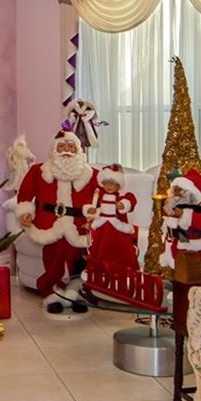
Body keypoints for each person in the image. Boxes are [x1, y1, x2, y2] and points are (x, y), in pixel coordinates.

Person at [14, 129, 99, 306]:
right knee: (53, 258)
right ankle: (52, 292)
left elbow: (104, 197)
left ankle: (76, 293)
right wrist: (25, 212)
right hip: (50, 223)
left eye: (71, 146)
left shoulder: (92, 174)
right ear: (54, 149)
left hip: (79, 225)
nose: (66, 150)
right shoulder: (39, 171)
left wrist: (95, 215)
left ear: (78, 150)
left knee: (78, 260)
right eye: (61, 146)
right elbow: (25, 194)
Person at [158, 169, 201, 277]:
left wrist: (185, 215)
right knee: (180, 277)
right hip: (179, 255)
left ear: (191, 195)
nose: (175, 195)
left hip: (200, 256)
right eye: (175, 190)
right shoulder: (173, 212)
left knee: (196, 277)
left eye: (179, 191)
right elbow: (171, 234)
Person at [83, 163, 139, 274]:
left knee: (120, 250)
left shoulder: (121, 198)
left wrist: (123, 205)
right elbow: (94, 208)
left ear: (119, 185)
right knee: (100, 248)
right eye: (106, 183)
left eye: (112, 183)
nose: (108, 186)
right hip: (102, 229)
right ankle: (100, 271)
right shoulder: (100, 198)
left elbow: (131, 200)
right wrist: (91, 211)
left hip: (118, 230)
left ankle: (121, 271)